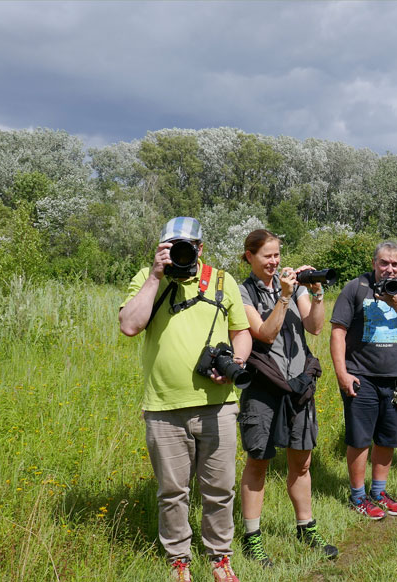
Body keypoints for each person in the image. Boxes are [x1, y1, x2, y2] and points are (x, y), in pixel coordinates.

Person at [118, 217, 250, 582]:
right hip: (163, 408)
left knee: (219, 489)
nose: (180, 251)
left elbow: (242, 332)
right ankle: (179, 560)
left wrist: (237, 361)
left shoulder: (223, 281)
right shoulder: (147, 278)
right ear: (161, 247)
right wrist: (154, 276)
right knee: (173, 491)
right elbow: (130, 325)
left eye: (186, 245)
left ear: (200, 248)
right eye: (171, 244)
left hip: (219, 405)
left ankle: (220, 558)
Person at [236, 229, 338, 566]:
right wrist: (283, 297)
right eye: (267, 255)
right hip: (263, 386)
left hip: (298, 385)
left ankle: (305, 527)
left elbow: (315, 326)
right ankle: (252, 537)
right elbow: (264, 333)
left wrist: (316, 291)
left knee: (302, 461)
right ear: (250, 256)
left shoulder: (292, 287)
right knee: (259, 460)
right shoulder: (242, 291)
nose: (274, 261)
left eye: (277, 255)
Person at [330, 241, 397, 519]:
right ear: (374, 263)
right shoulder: (355, 288)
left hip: (394, 379)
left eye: (395, 264)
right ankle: (358, 496)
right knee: (360, 440)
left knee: (387, 438)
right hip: (361, 377)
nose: (389, 269)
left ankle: (378, 492)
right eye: (384, 263)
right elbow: (337, 333)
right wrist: (342, 374)